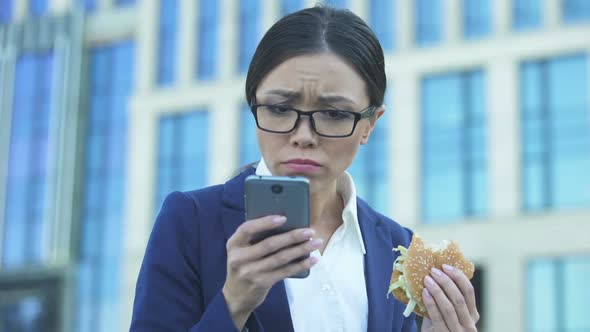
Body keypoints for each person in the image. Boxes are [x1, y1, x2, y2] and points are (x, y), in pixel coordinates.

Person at [130, 6, 480, 332]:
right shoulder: (191, 222)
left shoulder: (397, 247)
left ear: (370, 124)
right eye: (280, 109)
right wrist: (233, 303)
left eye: (334, 114)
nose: (302, 136)